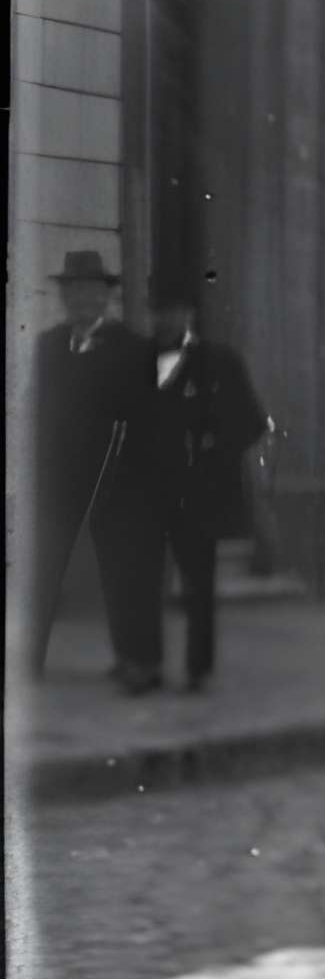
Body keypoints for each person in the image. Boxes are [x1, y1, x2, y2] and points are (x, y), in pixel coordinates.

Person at [24, 251, 159, 689]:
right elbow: (36, 411)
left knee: (123, 568)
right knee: (43, 565)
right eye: (74, 290)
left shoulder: (133, 348)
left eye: (92, 290)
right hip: (58, 477)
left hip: (115, 476)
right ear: (64, 296)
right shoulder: (47, 346)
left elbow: (145, 419)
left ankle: (135, 660)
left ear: (106, 297)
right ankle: (28, 660)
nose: (82, 299)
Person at [142, 283, 271, 694]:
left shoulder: (219, 361)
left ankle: (198, 669)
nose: (167, 319)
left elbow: (252, 423)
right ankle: (146, 665)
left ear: (190, 316)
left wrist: (212, 451)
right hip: (150, 493)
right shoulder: (138, 360)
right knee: (143, 583)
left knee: (198, 586)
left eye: (176, 311)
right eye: (161, 311)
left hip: (198, 495)